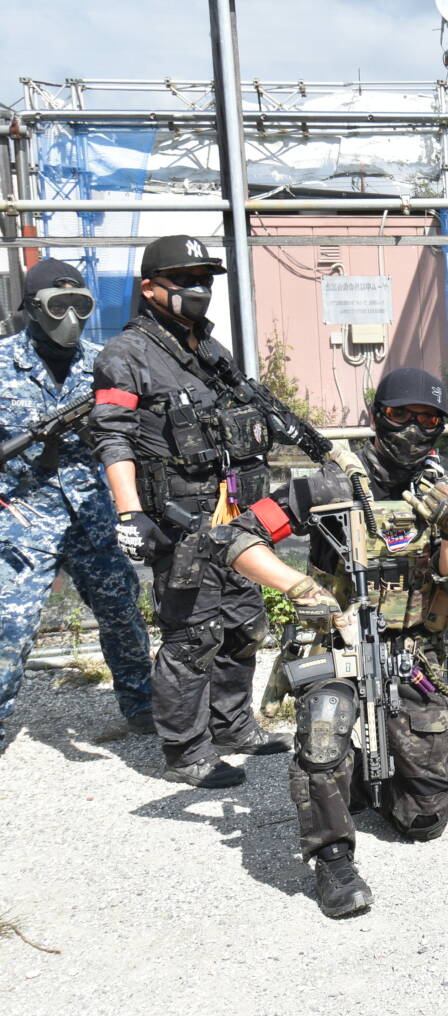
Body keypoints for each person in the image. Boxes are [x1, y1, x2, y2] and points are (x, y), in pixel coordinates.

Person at [213, 367, 448, 917]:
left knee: (424, 820)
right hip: (336, 643)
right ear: (377, 418)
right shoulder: (329, 484)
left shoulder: (438, 491)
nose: (413, 430)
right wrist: (298, 586)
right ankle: (332, 857)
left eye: (428, 419)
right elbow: (236, 538)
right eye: (400, 415)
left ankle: (358, 777)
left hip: (411, 652)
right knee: (324, 726)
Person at [89, 235, 285, 788]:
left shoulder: (209, 349)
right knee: (192, 636)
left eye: (204, 279)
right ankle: (186, 749)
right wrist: (129, 513)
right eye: (184, 279)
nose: (198, 289)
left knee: (243, 623)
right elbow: (112, 438)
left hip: (234, 513)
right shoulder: (125, 356)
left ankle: (232, 725)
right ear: (150, 288)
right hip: (181, 521)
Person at [0, 260, 153, 742]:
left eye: (80, 304)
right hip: (25, 517)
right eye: (58, 304)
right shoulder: (2, 362)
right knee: (10, 625)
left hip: (92, 512)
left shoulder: (103, 365)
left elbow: (134, 434)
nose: (70, 316)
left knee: (123, 615)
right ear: (31, 307)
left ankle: (144, 708)